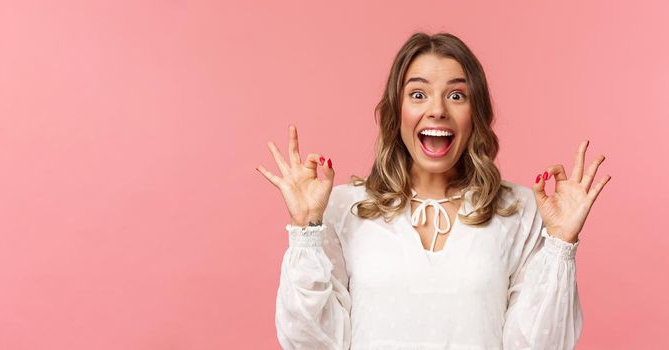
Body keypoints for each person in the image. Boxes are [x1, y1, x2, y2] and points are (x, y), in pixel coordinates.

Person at [255, 32, 611, 349]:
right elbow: (311, 342)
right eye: (418, 94)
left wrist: (560, 242)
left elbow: (539, 345)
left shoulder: (518, 209)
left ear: (476, 113)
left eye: (457, 95)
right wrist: (305, 228)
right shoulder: (344, 207)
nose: (437, 110)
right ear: (398, 110)